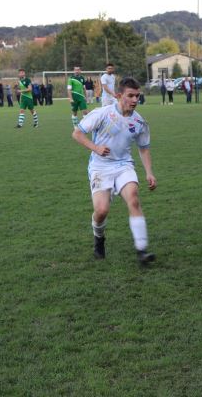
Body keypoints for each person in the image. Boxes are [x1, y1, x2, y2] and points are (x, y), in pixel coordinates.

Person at [71, 77, 157, 264]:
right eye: (130, 96)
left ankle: (142, 250)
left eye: (137, 96)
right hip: (100, 167)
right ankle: (99, 238)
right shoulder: (102, 113)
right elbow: (77, 133)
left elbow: (144, 148)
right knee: (101, 211)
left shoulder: (140, 122)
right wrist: (96, 148)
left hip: (124, 165)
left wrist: (149, 172)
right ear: (119, 95)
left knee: (133, 198)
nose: (135, 100)